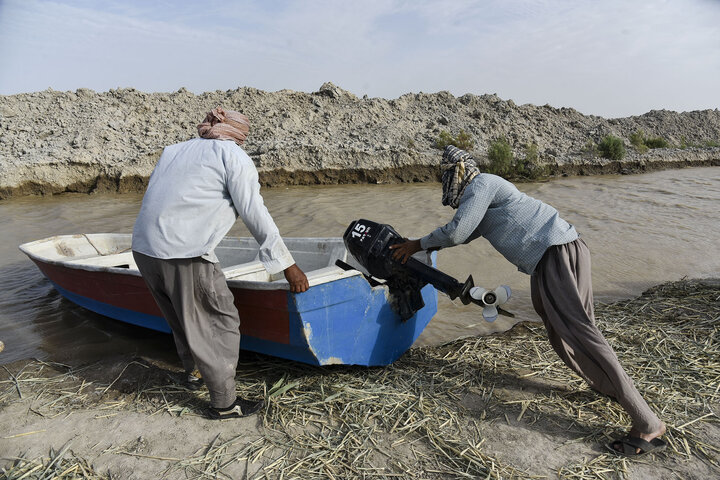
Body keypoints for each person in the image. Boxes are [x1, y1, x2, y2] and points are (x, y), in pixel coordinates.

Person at [390, 145, 666, 456]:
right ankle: (612, 387)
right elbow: (460, 235)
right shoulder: (480, 198)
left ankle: (647, 423)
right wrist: (418, 247)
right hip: (555, 254)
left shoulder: (482, 184)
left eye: (448, 172)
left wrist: (415, 245)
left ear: (461, 170)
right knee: (560, 332)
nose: (446, 179)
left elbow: (455, 233)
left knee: (583, 335)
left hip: (557, 253)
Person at [132, 106, 309, 420]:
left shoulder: (174, 151)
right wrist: (287, 265)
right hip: (182, 253)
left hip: (145, 249)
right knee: (219, 323)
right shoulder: (233, 156)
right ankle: (225, 404)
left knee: (183, 320)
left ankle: (194, 373)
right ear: (238, 134)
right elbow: (255, 213)